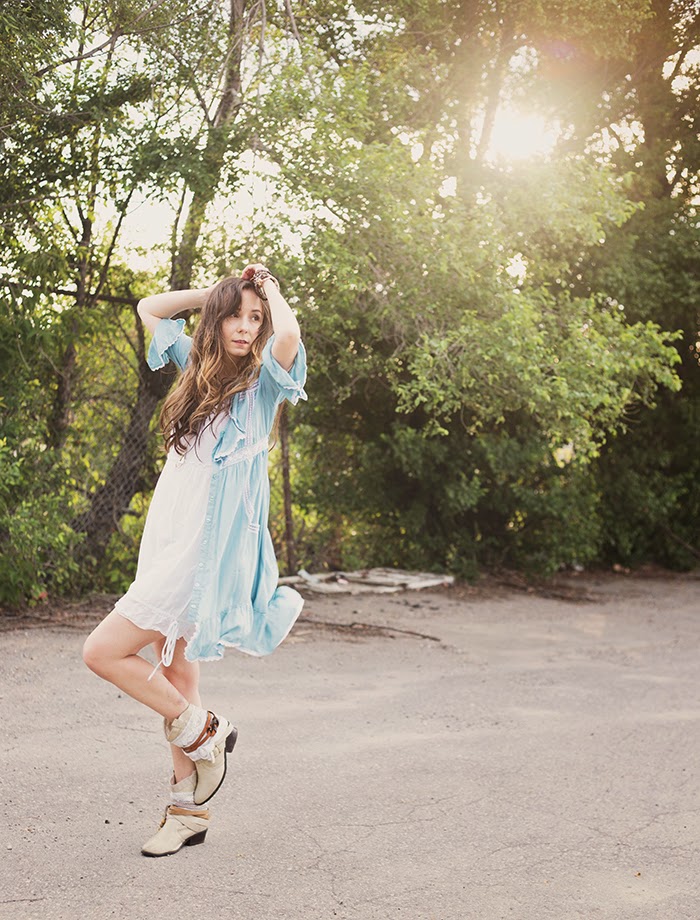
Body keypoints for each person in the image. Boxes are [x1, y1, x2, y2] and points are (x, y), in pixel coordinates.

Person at [82, 263, 307, 857]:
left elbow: (289, 335)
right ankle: (188, 811)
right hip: (170, 539)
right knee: (178, 674)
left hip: (203, 554)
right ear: (216, 320)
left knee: (101, 652)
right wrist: (217, 293)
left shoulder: (263, 386)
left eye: (253, 318)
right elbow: (150, 308)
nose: (244, 326)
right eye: (234, 316)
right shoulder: (197, 370)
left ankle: (206, 731)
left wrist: (266, 289)